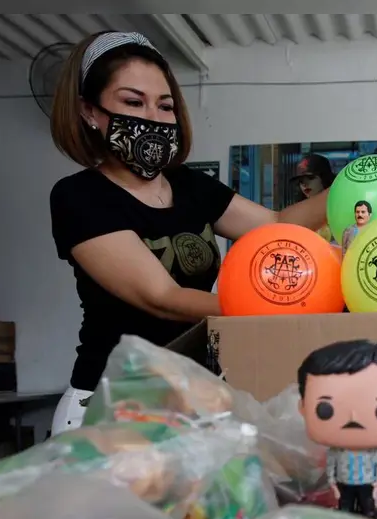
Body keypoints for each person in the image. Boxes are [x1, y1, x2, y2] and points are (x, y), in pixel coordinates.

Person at [48, 32, 329, 435]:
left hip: (191, 392)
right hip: (113, 402)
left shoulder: (190, 186)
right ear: (89, 111)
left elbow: (274, 227)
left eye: (165, 106)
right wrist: (280, 308)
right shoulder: (79, 196)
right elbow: (163, 298)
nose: (153, 118)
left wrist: (352, 189)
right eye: (132, 102)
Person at [296, 339, 377, 517]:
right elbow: (331, 468)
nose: (353, 417)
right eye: (326, 410)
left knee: (368, 510)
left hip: (367, 484)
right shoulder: (335, 452)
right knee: (344, 512)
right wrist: (333, 485)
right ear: (302, 408)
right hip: (343, 484)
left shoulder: (374, 453)